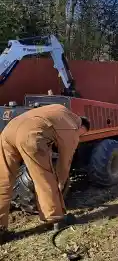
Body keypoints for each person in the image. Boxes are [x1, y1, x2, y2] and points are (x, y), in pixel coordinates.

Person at [0, 104, 90, 243]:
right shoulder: (72, 127)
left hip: (8, 130)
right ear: (82, 127)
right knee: (44, 177)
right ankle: (56, 219)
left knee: (3, 180)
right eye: (83, 134)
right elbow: (64, 163)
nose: (81, 136)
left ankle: (0, 228)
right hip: (30, 134)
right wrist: (60, 184)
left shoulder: (59, 111)